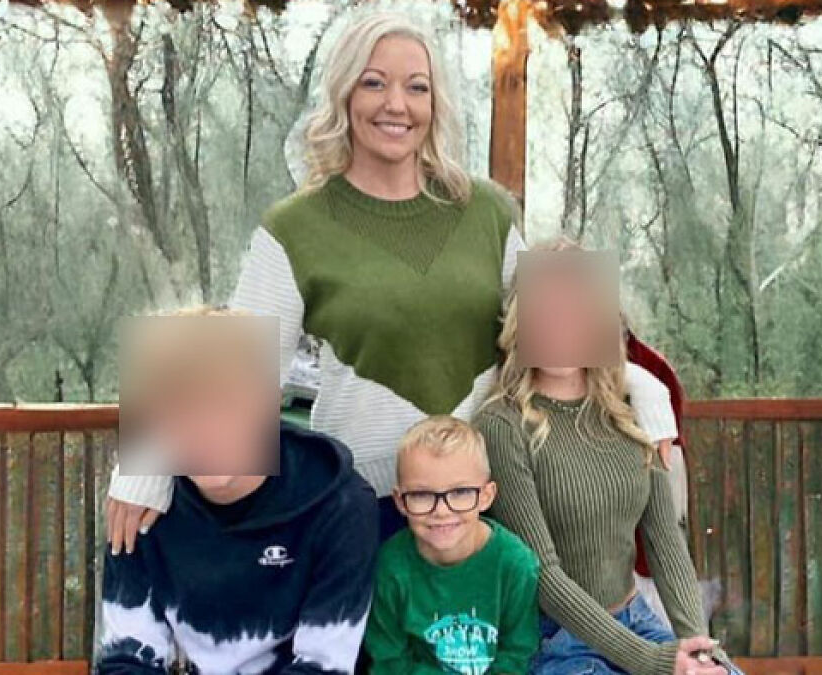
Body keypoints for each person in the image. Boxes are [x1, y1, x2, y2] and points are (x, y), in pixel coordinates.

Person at [103, 11, 679, 552]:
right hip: (362, 510)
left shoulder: (488, 210)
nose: (396, 104)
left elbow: (561, 336)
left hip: (485, 502)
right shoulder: (294, 226)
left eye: (416, 87)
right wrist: (141, 466)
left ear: (435, 102)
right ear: (344, 95)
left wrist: (650, 393)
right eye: (374, 83)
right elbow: (232, 364)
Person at [472, 242, 740, 675]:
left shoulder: (630, 412)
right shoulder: (502, 424)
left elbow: (665, 540)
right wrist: (654, 661)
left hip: (636, 621)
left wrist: (699, 650)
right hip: (554, 638)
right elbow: (544, 577)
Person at [97, 306, 378, 674]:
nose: (206, 427)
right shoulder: (139, 507)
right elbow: (126, 658)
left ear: (270, 403)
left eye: (226, 403)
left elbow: (323, 666)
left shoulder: (339, 507)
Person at [364, 415, 539, 674]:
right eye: (422, 495)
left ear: (486, 496)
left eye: (460, 492)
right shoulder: (391, 567)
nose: (442, 511)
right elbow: (388, 661)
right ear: (400, 501)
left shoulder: (515, 564)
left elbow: (517, 654)